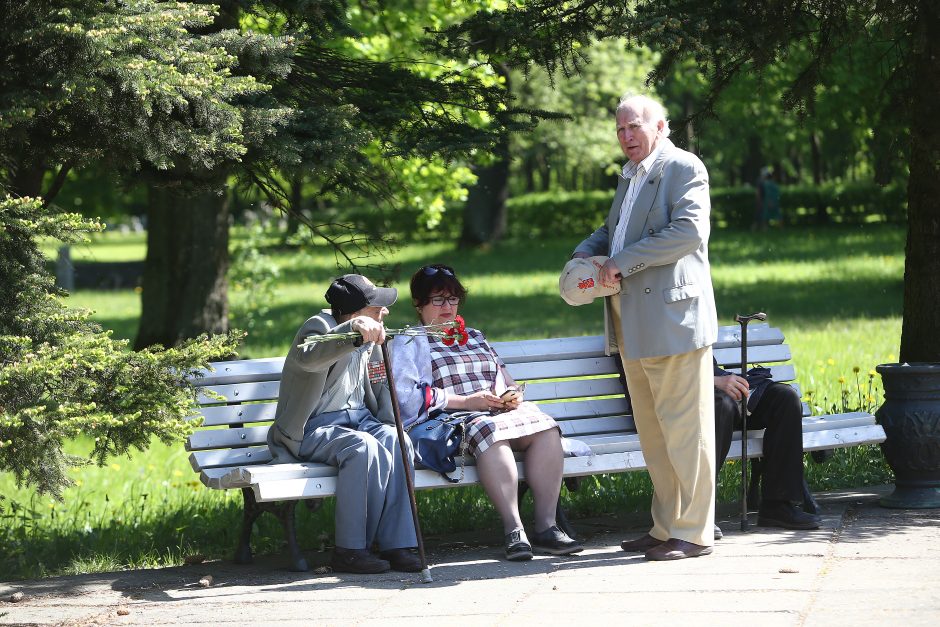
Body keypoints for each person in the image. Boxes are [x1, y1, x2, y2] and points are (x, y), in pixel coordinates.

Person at [571, 93, 718, 561]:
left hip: (673, 321)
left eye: (635, 126)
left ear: (660, 126)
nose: (627, 136)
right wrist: (583, 253)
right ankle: (665, 526)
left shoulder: (682, 167)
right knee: (655, 436)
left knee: (686, 432)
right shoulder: (631, 175)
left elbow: (688, 232)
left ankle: (694, 533)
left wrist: (620, 262)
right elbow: (615, 231)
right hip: (631, 321)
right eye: (620, 129)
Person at [390, 264, 583, 561]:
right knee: (488, 431)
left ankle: (547, 526)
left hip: (494, 410)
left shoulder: (475, 336)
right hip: (455, 418)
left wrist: (512, 395)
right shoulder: (411, 341)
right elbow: (408, 398)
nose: (447, 307)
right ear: (419, 304)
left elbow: (506, 379)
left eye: (453, 299)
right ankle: (514, 530)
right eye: (438, 300)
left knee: (545, 427)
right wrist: (468, 403)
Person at [266, 274, 421, 574]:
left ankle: (397, 543)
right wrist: (351, 331)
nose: (384, 312)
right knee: (362, 448)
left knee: (396, 439)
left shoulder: (374, 338)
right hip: (312, 429)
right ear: (355, 313)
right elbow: (310, 358)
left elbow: (379, 386)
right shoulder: (318, 328)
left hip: (359, 419)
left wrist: (393, 421)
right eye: (377, 306)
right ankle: (350, 550)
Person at [713, 364, 821, 530]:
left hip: (728, 392)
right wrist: (715, 382)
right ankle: (699, 514)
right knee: (723, 405)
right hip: (702, 397)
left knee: (785, 398)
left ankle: (777, 506)